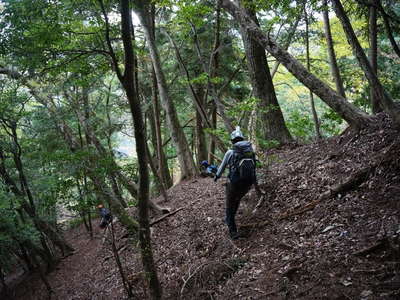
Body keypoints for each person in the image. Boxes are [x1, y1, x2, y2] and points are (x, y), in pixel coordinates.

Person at [214, 127, 257, 240]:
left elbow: (221, 168)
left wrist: (216, 176)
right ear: (242, 139)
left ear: (233, 141)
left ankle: (232, 231)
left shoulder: (230, 152)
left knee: (229, 204)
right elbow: (255, 166)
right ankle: (231, 218)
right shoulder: (250, 151)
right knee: (237, 200)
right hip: (247, 184)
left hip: (234, 183)